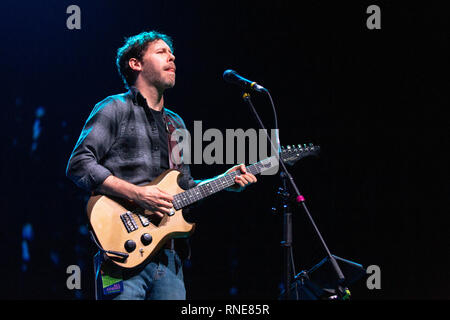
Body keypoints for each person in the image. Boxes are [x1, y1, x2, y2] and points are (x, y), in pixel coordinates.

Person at [66, 30, 257, 300]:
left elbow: (185, 190)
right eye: (161, 52)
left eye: (172, 53)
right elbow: (79, 164)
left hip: (169, 259)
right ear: (136, 64)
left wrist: (223, 182)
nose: (172, 57)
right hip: (118, 257)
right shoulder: (114, 108)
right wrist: (137, 193)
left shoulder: (176, 124)